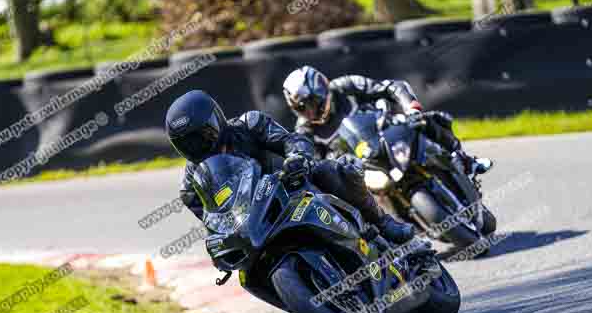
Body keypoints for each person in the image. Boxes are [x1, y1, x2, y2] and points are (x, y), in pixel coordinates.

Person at [166, 90, 415, 244]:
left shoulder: (249, 124)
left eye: (200, 136)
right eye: (186, 143)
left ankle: (383, 223)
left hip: (292, 187)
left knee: (330, 170)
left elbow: (291, 139)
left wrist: (297, 158)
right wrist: (218, 235)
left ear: (216, 120)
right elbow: (210, 216)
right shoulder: (191, 183)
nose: (196, 146)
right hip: (253, 220)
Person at [282, 65, 493, 176]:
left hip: (388, 130)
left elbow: (392, 87)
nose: (309, 111)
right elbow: (315, 162)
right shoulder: (304, 130)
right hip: (363, 167)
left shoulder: (347, 86)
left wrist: (411, 108)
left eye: (311, 103)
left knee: (430, 121)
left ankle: (466, 160)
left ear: (321, 90)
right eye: (301, 108)